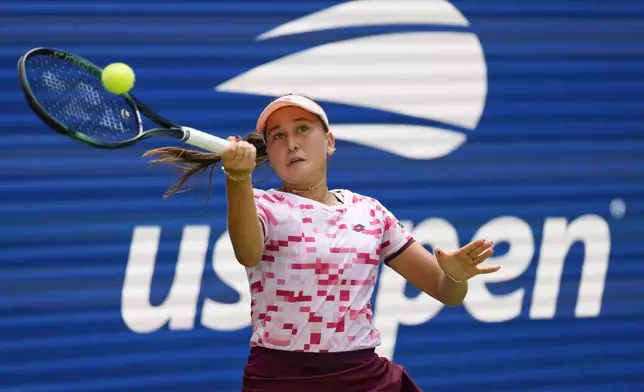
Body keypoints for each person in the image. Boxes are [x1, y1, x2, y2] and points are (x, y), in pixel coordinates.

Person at [144, 94, 501, 391]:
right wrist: (237, 178)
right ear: (268, 150)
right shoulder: (264, 205)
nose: (292, 142)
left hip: (363, 376)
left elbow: (446, 293)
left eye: (302, 129)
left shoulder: (371, 212)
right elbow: (248, 252)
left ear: (328, 142)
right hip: (282, 378)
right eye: (279, 136)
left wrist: (455, 275)